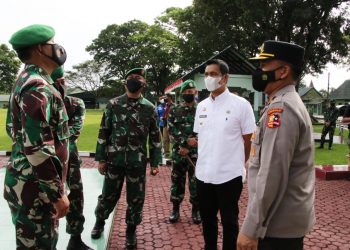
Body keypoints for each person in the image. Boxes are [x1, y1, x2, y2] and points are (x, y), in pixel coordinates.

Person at [237, 40, 315, 250]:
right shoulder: (284, 101)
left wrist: (251, 229)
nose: (259, 71)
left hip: (276, 227)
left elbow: (271, 173)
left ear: (283, 71)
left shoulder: (281, 107)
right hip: (281, 221)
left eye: (264, 66)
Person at [4, 24, 70, 249]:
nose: (57, 48)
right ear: (41, 49)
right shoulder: (37, 87)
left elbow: (19, 132)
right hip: (37, 190)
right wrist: (56, 193)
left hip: (31, 184)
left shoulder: (29, 80)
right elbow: (38, 146)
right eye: (52, 44)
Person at [90, 68, 162, 249]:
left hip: (137, 162)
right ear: (124, 82)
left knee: (136, 198)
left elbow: (155, 136)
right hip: (114, 161)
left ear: (144, 83)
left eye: (138, 78)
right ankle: (99, 222)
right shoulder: (113, 104)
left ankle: (131, 230)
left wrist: (155, 162)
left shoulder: (149, 108)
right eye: (130, 78)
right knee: (108, 195)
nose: (134, 80)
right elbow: (104, 132)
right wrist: (101, 159)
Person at [191, 59, 256, 250]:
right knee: (208, 220)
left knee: (229, 222)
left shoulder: (241, 105)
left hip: (229, 175)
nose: (208, 78)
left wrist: (238, 164)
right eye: (206, 74)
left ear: (225, 78)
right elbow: (201, 138)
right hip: (203, 175)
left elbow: (248, 141)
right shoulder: (201, 106)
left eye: (213, 74)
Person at [51, 67, 92, 250]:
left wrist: (46, 139)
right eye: (56, 81)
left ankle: (75, 239)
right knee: (47, 198)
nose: (61, 84)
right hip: (44, 160)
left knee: (75, 197)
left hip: (70, 158)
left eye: (63, 80)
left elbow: (74, 131)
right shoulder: (40, 100)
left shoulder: (76, 103)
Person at [167, 79, 201, 224]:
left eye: (191, 91)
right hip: (179, 153)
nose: (189, 93)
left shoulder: (202, 109)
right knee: (177, 182)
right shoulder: (174, 110)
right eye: (186, 92)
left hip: (196, 154)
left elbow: (205, 130)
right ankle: (175, 210)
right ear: (182, 94)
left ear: (195, 92)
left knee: (196, 183)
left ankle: (196, 210)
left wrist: (192, 144)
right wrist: (184, 143)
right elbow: (171, 129)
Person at [162, 93, 174, 158]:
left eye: (166, 97)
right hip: (165, 123)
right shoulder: (165, 105)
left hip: (171, 124)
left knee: (172, 139)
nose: (165, 98)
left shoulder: (173, 106)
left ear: (170, 97)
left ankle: (174, 153)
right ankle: (166, 153)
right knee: (165, 138)